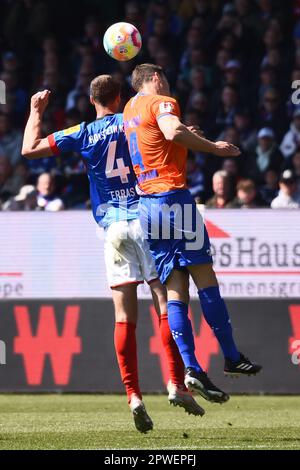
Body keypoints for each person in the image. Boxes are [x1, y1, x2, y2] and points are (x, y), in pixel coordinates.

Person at [21, 76, 204, 433]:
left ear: (92, 101)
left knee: (124, 318)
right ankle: (175, 384)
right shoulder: (133, 119)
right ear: (121, 98)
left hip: (114, 229)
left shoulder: (83, 131)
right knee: (166, 305)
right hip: (147, 218)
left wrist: (35, 111)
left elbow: (29, 149)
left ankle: (133, 396)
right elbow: (170, 135)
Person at [123, 63, 262, 404]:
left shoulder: (130, 108)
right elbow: (170, 131)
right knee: (206, 278)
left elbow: (160, 138)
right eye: (165, 79)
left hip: (147, 206)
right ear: (156, 79)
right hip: (174, 200)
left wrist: (186, 134)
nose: (168, 84)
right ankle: (231, 356)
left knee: (175, 290)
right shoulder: (163, 101)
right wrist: (213, 146)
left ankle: (192, 368)